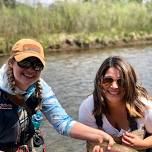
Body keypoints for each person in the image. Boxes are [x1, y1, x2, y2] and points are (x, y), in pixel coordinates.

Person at [0, 38, 114, 152]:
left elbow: (63, 123)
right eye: (25, 63)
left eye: (37, 65)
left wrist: (99, 135)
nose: (30, 70)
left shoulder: (41, 87)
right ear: (11, 62)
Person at [79, 56, 152, 152]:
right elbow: (91, 141)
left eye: (121, 81)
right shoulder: (88, 107)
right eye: (107, 80)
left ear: (130, 83)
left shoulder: (144, 105)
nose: (114, 86)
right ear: (99, 82)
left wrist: (142, 144)